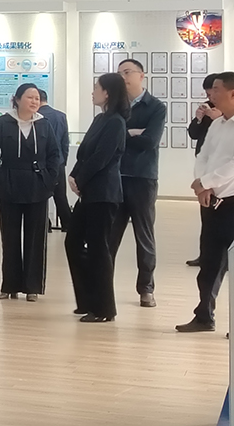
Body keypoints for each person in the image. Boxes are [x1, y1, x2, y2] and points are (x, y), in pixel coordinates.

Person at [0, 84, 60, 301]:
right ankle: (9, 285)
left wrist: (50, 179)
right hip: (10, 184)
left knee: (36, 237)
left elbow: (55, 154)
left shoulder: (44, 124)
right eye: (30, 97)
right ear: (17, 99)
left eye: (37, 98)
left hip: (37, 185)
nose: (34, 101)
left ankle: (32, 287)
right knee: (9, 237)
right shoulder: (4, 122)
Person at [65, 73, 129, 323]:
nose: (93, 92)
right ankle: (87, 301)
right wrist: (74, 175)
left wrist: (80, 179)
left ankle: (104, 309)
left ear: (108, 93)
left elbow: (102, 158)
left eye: (96, 88)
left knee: (98, 248)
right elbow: (84, 154)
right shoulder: (100, 119)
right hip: (89, 192)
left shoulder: (116, 122)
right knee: (73, 242)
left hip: (104, 194)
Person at [177, 72, 234, 333]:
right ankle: (204, 316)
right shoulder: (217, 124)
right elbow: (203, 155)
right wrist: (201, 183)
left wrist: (207, 182)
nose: (211, 94)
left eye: (216, 89)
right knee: (210, 262)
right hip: (212, 201)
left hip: (230, 200)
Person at [111, 59, 167, 308]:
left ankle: (146, 288)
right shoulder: (116, 106)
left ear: (141, 75)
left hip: (143, 178)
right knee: (110, 236)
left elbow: (149, 142)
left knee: (144, 235)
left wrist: (125, 135)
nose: (123, 77)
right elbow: (110, 138)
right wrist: (132, 133)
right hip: (116, 176)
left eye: (127, 72)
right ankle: (102, 286)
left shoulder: (155, 107)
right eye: (119, 73)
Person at [186, 74, 222, 267]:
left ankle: (223, 259)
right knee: (206, 216)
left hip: (223, 173)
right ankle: (205, 256)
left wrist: (218, 118)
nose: (211, 97)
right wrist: (199, 119)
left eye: (214, 92)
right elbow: (193, 134)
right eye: (208, 93)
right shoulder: (207, 108)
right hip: (206, 167)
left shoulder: (225, 113)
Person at [38, 89, 71, 229]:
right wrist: (63, 161)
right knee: (61, 196)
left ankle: (45, 224)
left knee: (40, 196)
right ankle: (68, 224)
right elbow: (65, 142)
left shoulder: (36, 116)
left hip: (41, 162)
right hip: (58, 162)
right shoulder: (61, 116)